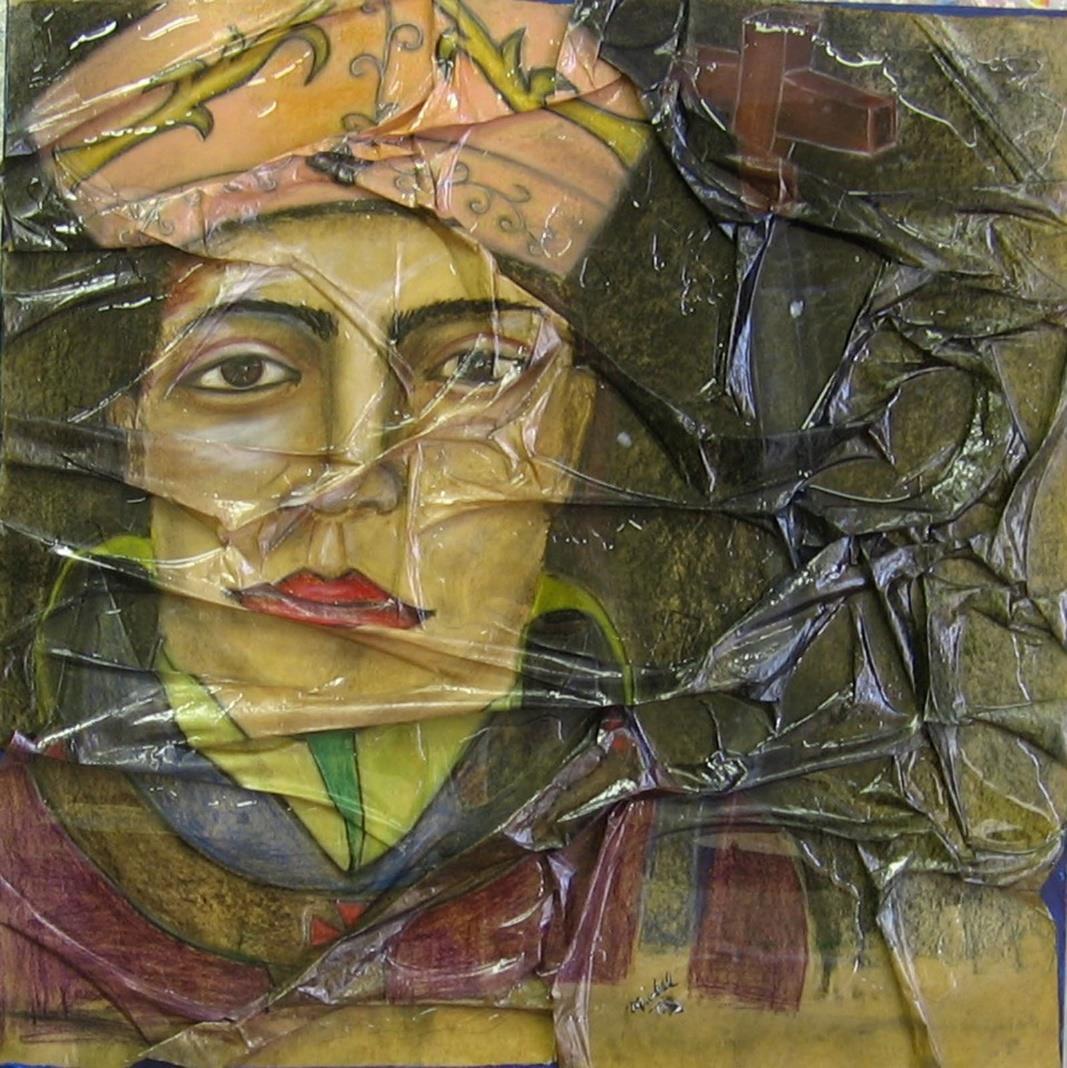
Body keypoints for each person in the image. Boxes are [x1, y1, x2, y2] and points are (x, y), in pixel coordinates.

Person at [3, 0, 1067, 1066]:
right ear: (128, 426)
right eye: (244, 372)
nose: (352, 476)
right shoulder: (22, 855)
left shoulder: (740, 878)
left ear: (567, 431)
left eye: (474, 371)